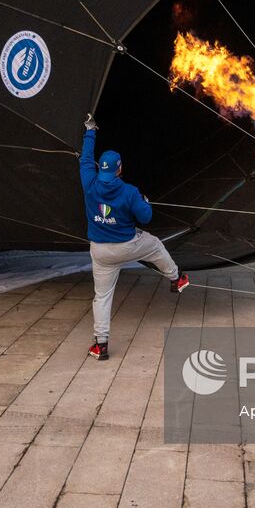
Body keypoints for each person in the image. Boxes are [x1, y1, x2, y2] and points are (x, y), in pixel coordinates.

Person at [80, 114, 188, 360]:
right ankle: (176, 279)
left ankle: (101, 345)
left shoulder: (89, 182)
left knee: (102, 297)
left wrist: (90, 130)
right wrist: (144, 202)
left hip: (100, 251)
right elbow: (146, 217)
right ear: (120, 169)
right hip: (128, 246)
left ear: (100, 169)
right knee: (157, 246)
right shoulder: (129, 192)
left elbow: (86, 158)